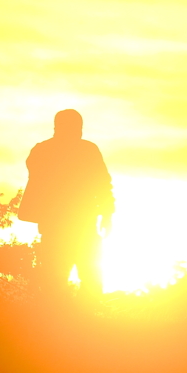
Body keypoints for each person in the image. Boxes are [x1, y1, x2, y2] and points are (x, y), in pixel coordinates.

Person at [18, 109, 114, 296]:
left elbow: (103, 182)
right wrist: (107, 213)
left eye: (79, 126)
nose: (77, 130)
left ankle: (87, 317)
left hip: (81, 223)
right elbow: (103, 183)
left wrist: (108, 213)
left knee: (87, 276)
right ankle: (65, 318)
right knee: (57, 280)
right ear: (58, 127)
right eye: (73, 126)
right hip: (59, 225)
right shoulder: (45, 151)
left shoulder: (81, 150)